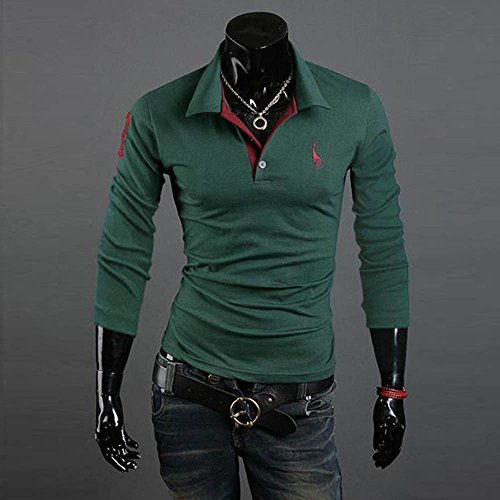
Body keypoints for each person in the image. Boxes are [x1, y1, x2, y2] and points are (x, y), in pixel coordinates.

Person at [94, 11, 409, 500]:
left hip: (298, 401)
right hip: (188, 394)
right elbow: (124, 251)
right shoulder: (159, 112)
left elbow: (383, 247)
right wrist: (105, 389)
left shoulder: (355, 108)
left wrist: (393, 387)